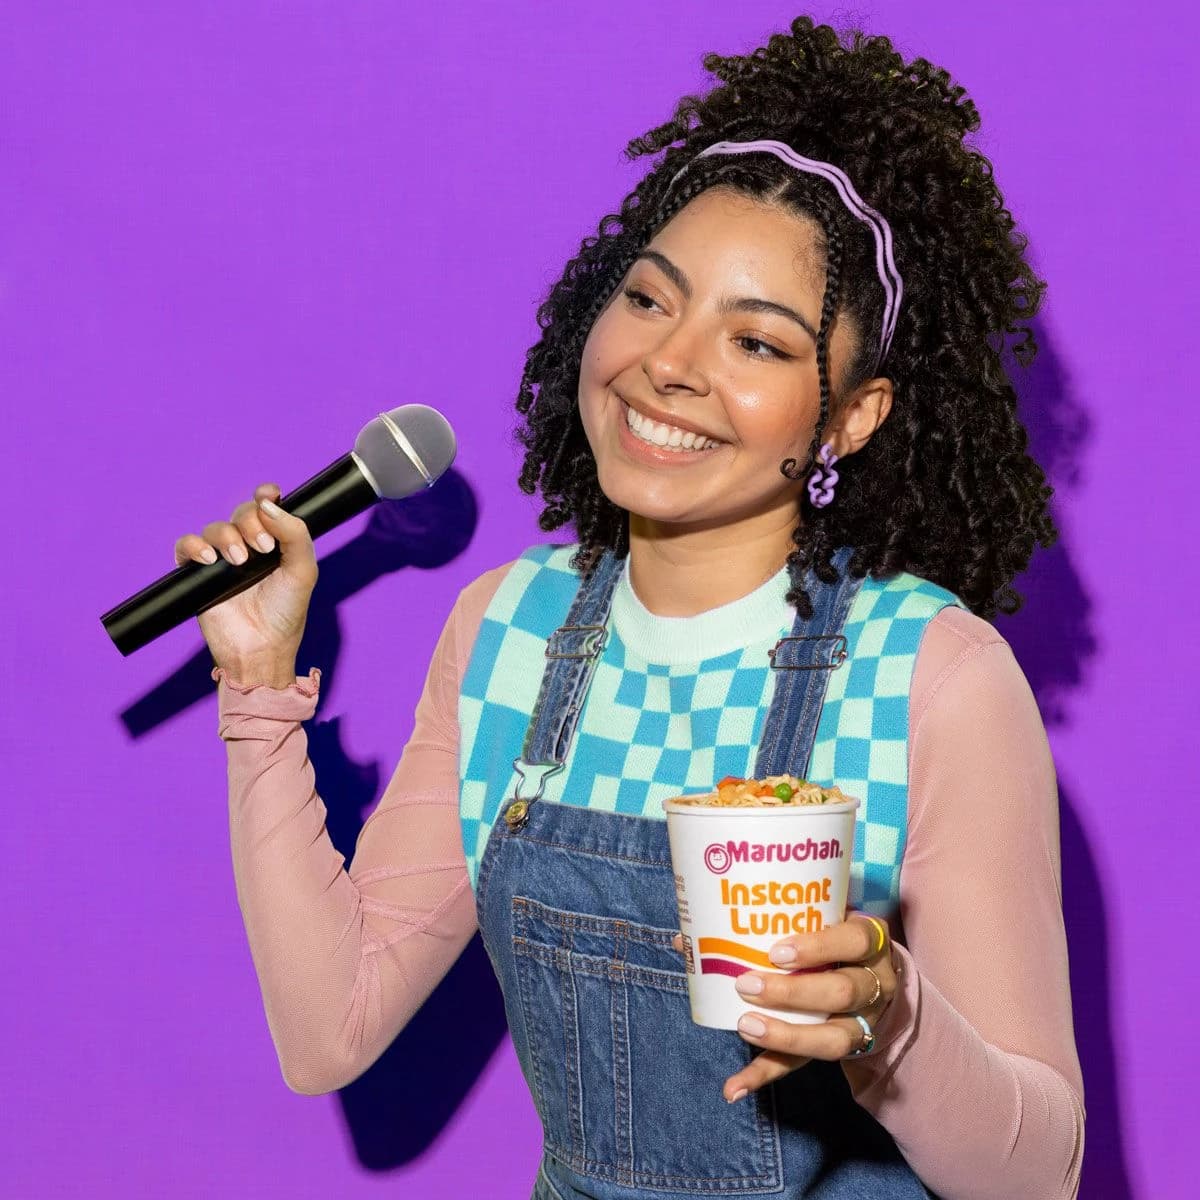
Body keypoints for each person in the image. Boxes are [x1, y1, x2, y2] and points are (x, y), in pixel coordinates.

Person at [176, 16, 1084, 1199]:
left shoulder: (931, 675)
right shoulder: (509, 626)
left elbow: (1038, 1177)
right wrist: (256, 693)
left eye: (757, 342)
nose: (671, 363)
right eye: (652, 300)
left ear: (851, 418)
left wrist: (890, 1020)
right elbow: (328, 1032)